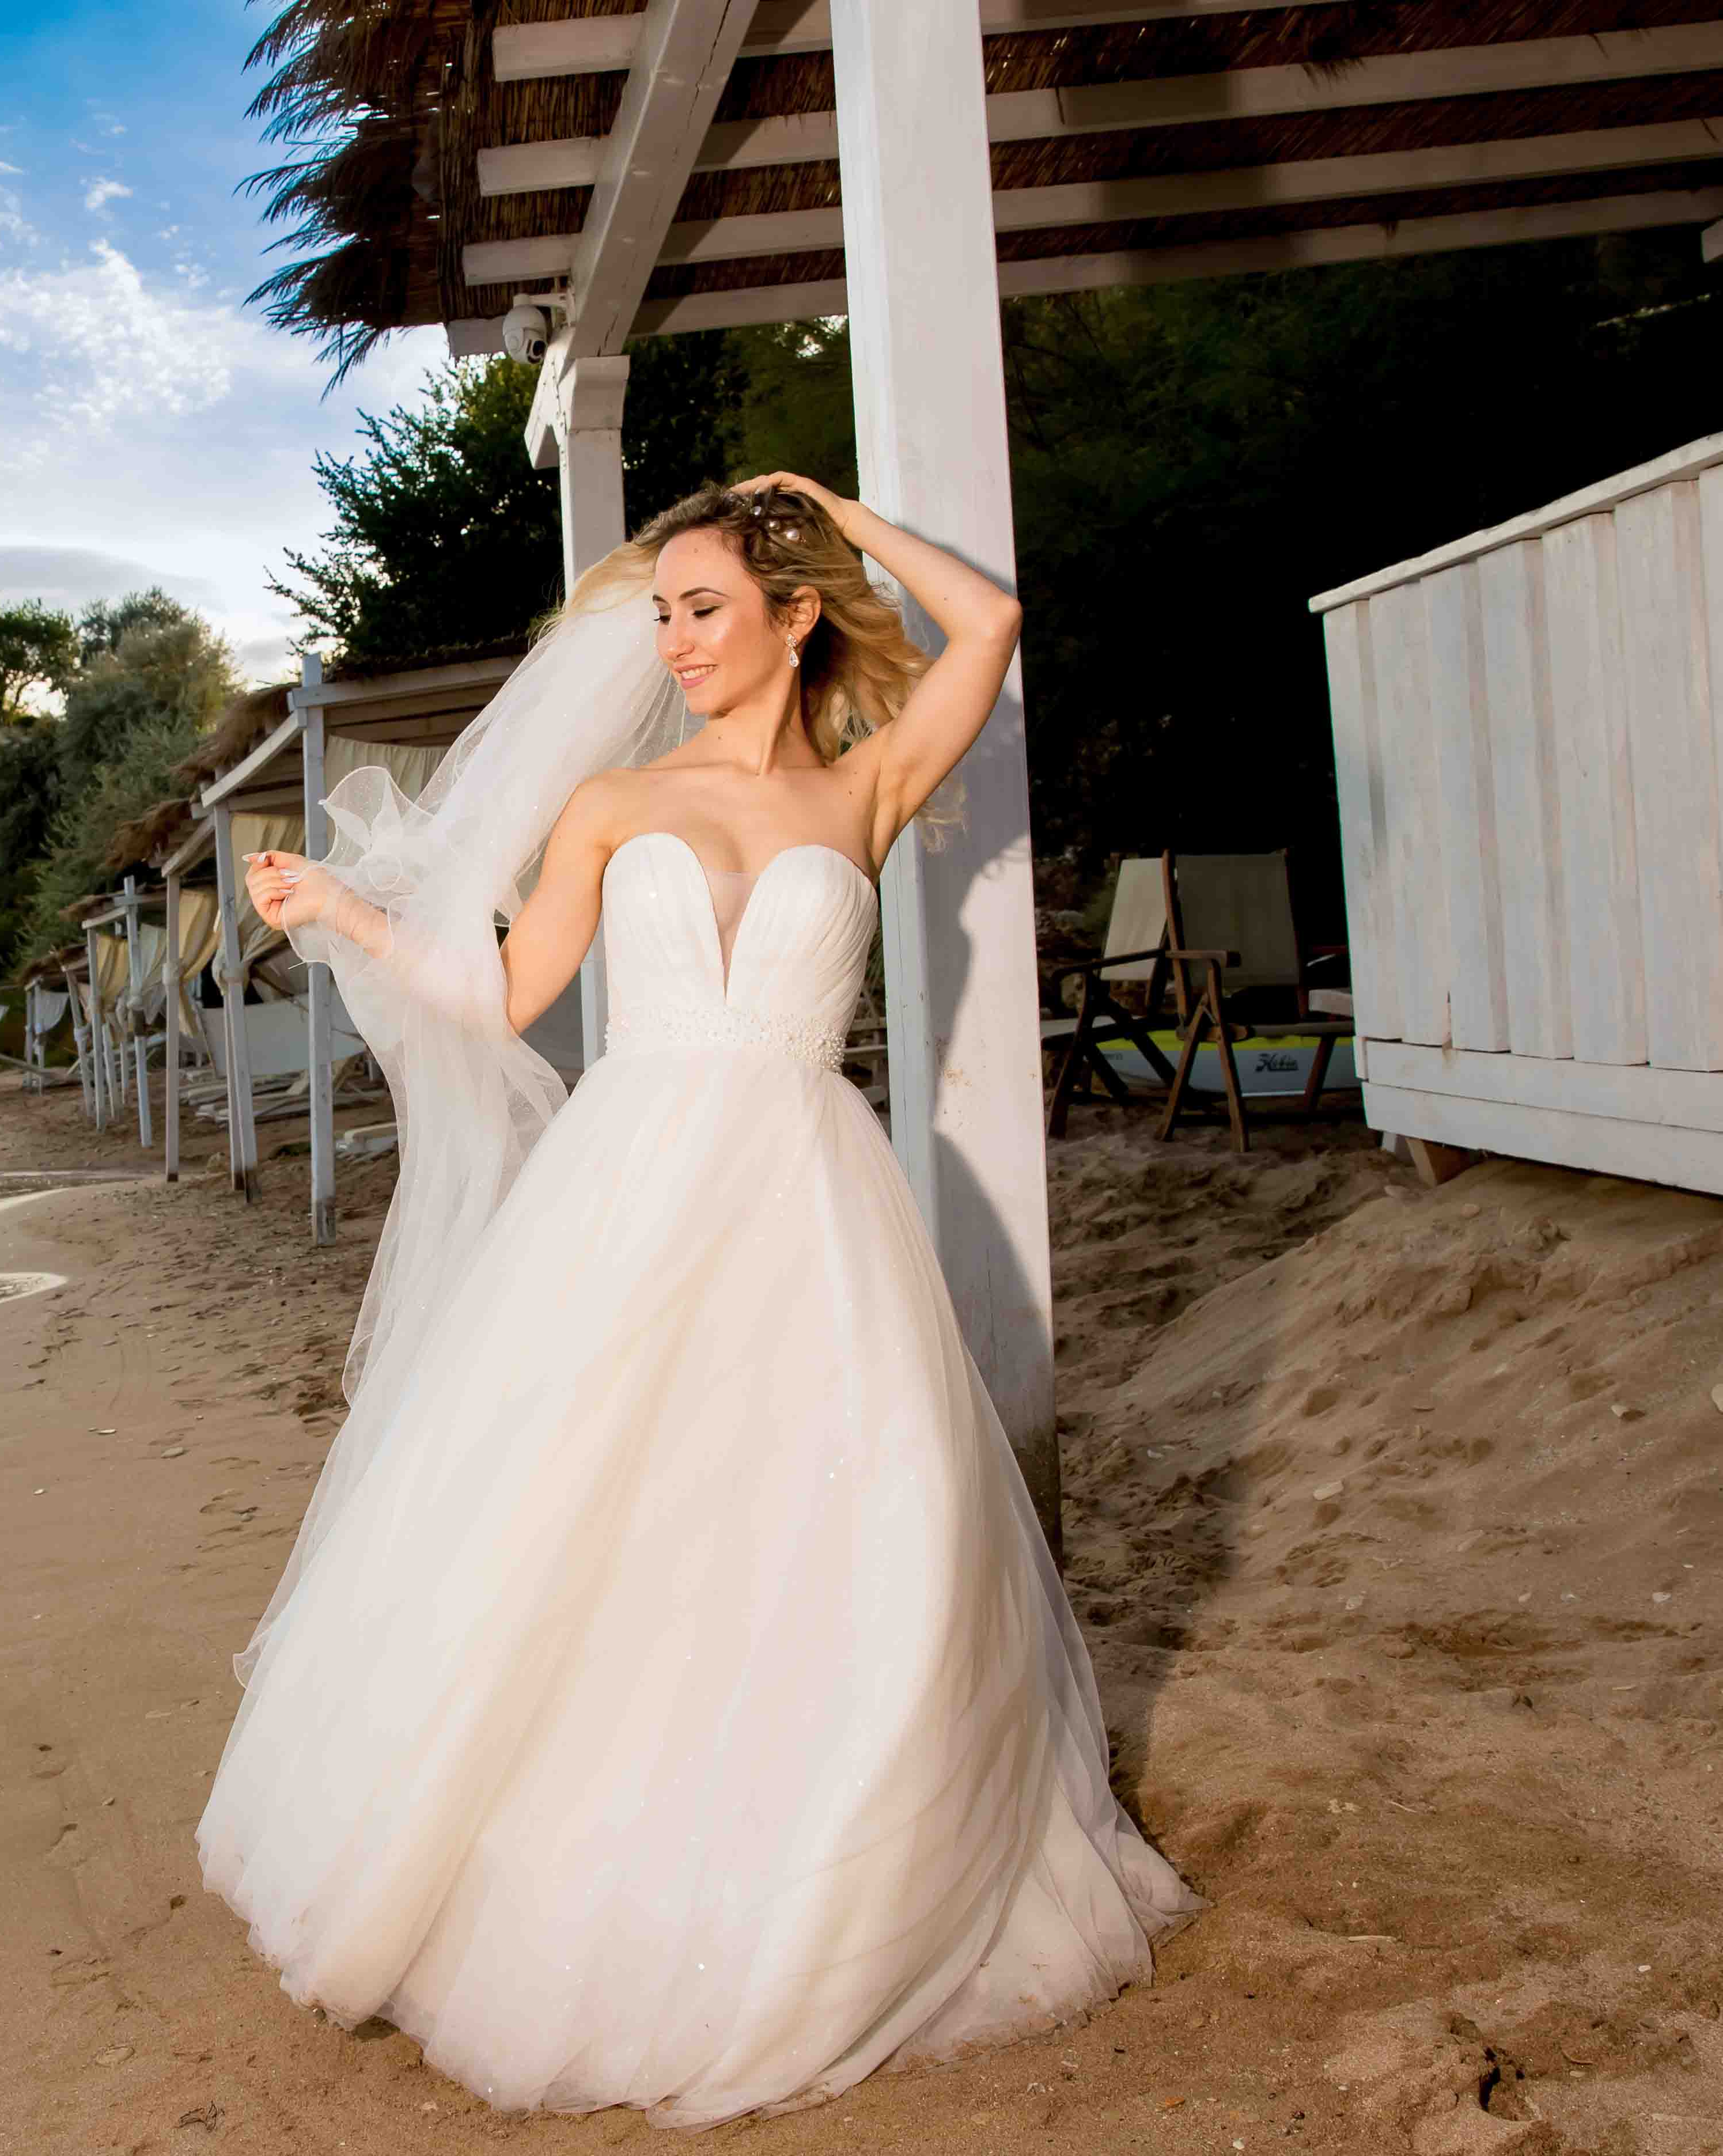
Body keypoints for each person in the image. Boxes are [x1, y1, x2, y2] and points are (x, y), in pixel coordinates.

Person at [195, 473, 1196, 2128]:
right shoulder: (610, 799)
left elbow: (994, 624)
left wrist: (834, 513)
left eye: (709, 607)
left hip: (811, 1201)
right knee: (597, 1528)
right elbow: (505, 996)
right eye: (663, 612)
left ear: (794, 620)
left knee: (824, 1524)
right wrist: (354, 919)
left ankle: (825, 1865)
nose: (678, 640)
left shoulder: (869, 790)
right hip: (629, 1191)